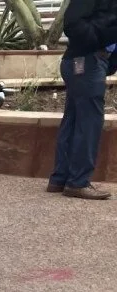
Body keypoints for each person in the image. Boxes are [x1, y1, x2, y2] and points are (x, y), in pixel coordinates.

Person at [49, 0, 117, 199]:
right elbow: (72, 22)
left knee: (73, 119)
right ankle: (78, 182)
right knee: (89, 122)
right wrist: (95, 43)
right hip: (87, 60)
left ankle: (60, 179)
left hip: (90, 61)